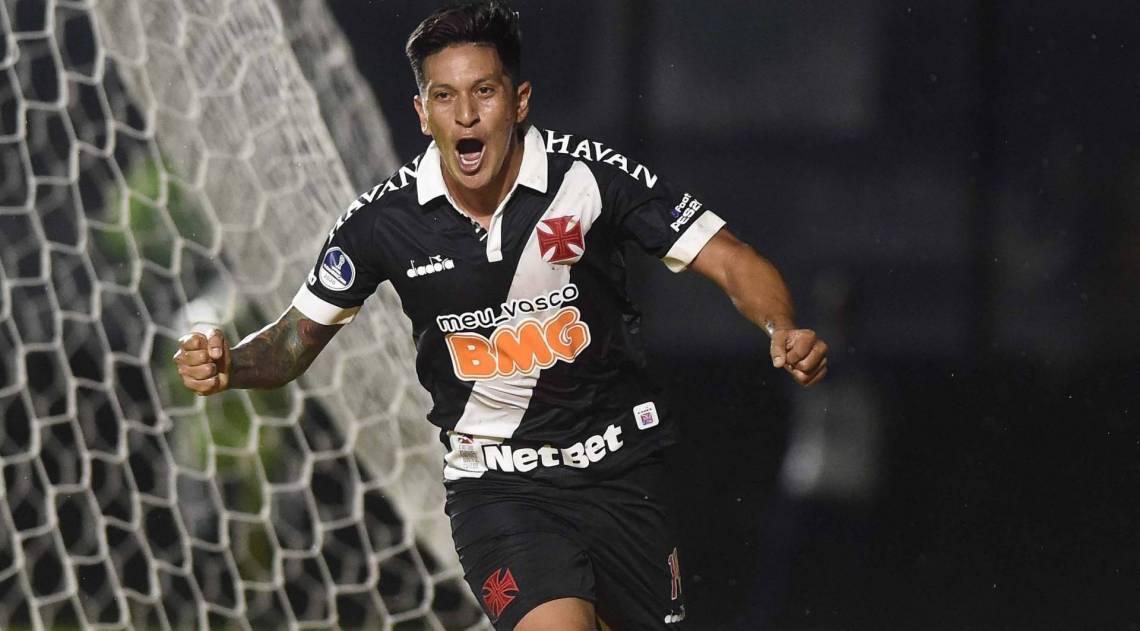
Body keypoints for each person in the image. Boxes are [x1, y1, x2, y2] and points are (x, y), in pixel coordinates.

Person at [172, 2, 828, 629]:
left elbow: (733, 259)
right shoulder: (382, 224)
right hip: (500, 491)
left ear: (518, 102)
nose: (465, 115)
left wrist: (782, 327)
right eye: (445, 97)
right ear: (422, 112)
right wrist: (232, 362)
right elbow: (293, 342)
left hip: (622, 471)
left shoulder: (589, 180)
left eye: (483, 92)